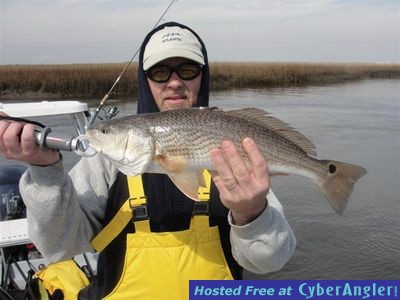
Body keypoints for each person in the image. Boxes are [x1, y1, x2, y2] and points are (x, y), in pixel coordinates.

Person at [0, 22, 296, 299]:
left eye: (188, 69)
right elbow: (59, 247)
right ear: (145, 80)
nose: (175, 82)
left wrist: (252, 215)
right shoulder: (106, 164)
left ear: (203, 76)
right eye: (160, 72)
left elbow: (270, 262)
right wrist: (45, 172)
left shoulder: (234, 153)